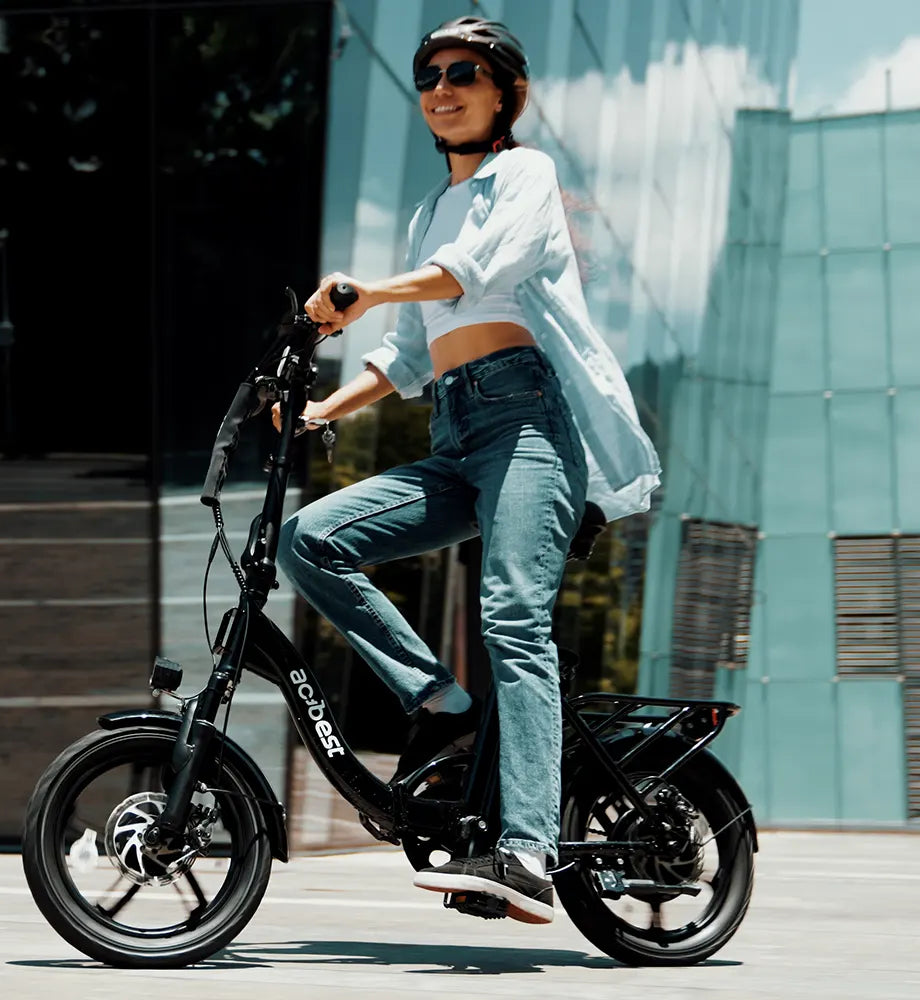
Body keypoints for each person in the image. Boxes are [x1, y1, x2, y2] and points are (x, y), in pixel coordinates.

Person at [276, 16, 660, 924]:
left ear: (502, 95)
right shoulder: (425, 213)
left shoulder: (523, 176)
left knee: (511, 618)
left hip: (528, 425)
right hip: (456, 431)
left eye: (463, 74)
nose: (442, 90)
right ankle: (442, 704)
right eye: (430, 77)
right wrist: (325, 409)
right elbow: (409, 354)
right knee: (309, 540)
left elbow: (475, 271)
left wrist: (367, 291)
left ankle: (526, 852)